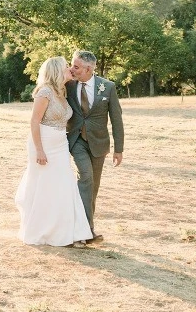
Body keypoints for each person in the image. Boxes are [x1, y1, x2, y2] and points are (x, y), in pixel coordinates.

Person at [15, 56, 93, 247]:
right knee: (46, 187)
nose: (70, 69)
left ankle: (68, 232)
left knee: (64, 187)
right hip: (44, 144)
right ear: (57, 70)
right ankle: (45, 231)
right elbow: (34, 122)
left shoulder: (62, 91)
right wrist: (40, 150)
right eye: (66, 66)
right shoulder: (45, 92)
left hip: (60, 145)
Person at [66, 50, 124, 244]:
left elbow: (116, 119)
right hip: (76, 141)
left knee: (94, 187)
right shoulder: (68, 83)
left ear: (88, 69)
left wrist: (119, 149)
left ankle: (86, 228)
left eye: (76, 66)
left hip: (99, 144)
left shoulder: (107, 87)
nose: (71, 69)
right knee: (86, 178)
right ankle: (84, 232)